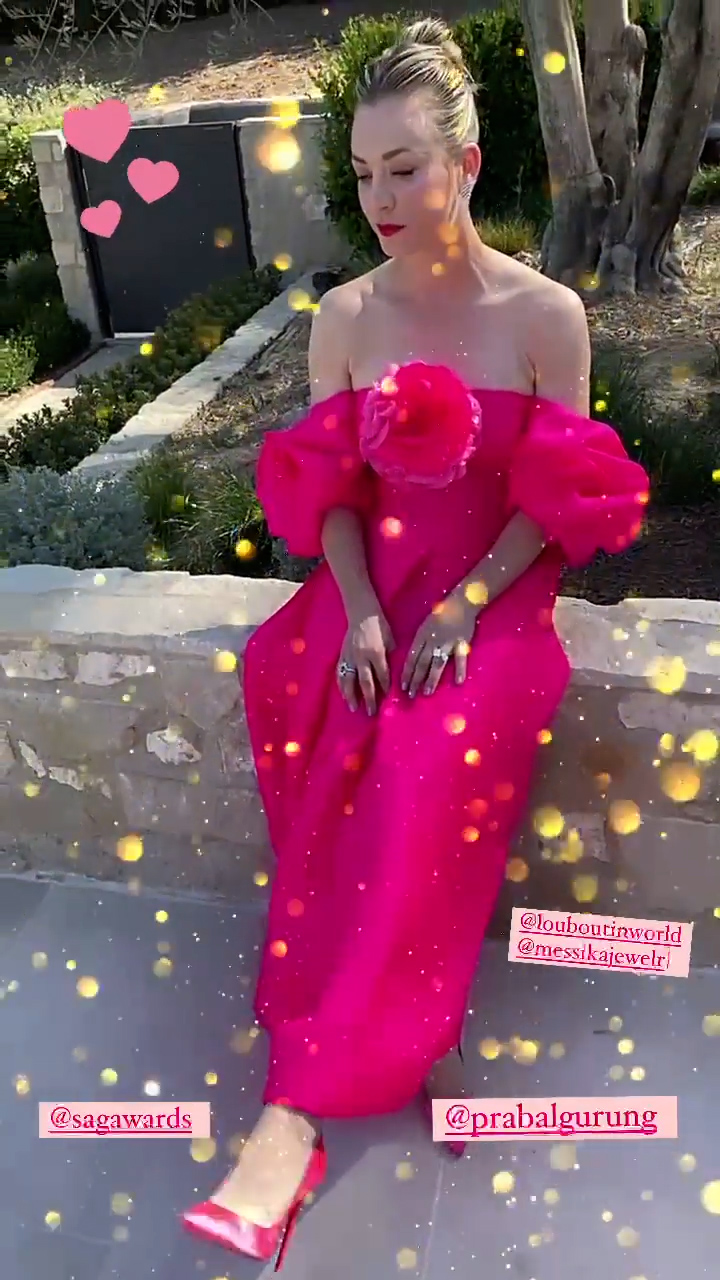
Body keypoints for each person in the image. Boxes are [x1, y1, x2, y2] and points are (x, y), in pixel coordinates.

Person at [182, 15, 649, 1268]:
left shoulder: (546, 314)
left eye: (405, 167)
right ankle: (372, 1044)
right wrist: (363, 608)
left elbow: (555, 506)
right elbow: (330, 496)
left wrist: (463, 604)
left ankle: (298, 1116)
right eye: (364, 173)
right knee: (322, 705)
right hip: (373, 588)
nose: (381, 198)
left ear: (467, 164)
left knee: (427, 758)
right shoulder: (344, 316)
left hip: (495, 597)